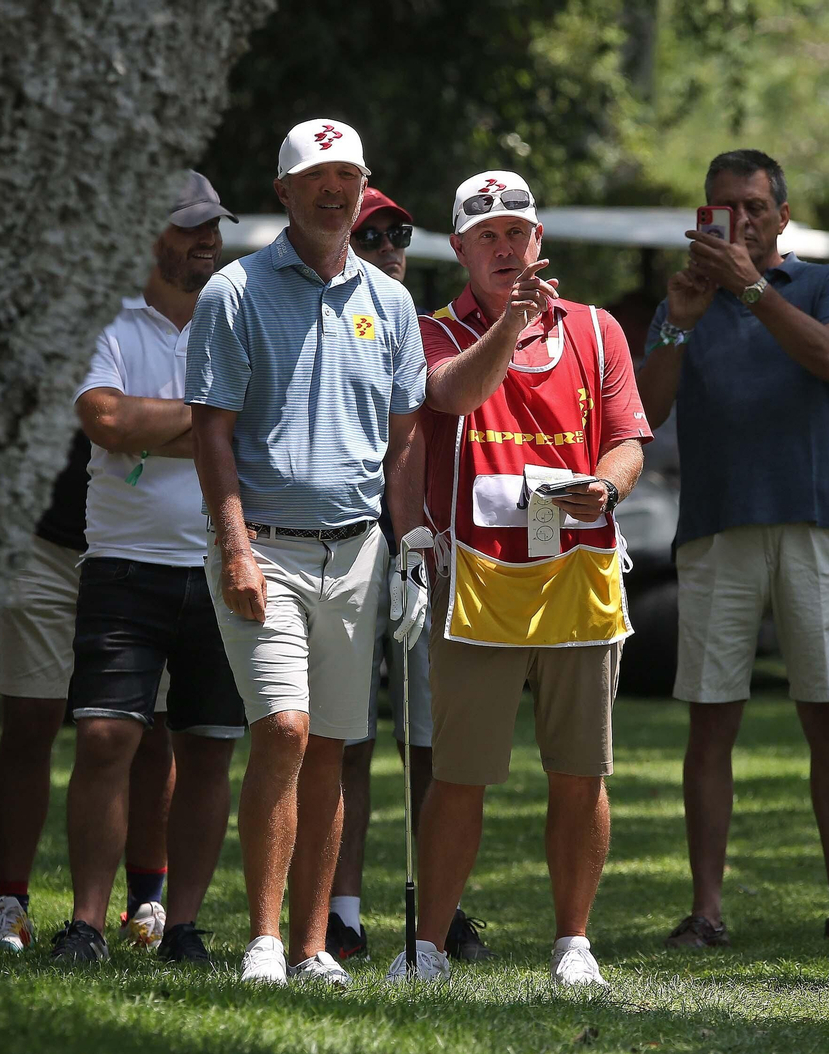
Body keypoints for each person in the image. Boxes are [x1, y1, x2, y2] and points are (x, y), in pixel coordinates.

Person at [386, 169, 650, 987]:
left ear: (539, 241)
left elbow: (627, 440)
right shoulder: (431, 331)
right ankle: (426, 947)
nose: (506, 247)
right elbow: (456, 393)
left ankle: (574, 943)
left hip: (578, 569)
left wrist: (606, 487)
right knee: (460, 775)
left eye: (518, 233)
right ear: (460, 249)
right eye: (487, 236)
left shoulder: (601, 331)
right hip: (476, 580)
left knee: (581, 772)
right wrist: (515, 324)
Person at [637, 149, 829, 948]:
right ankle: (706, 911)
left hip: (814, 521)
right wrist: (680, 320)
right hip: (716, 526)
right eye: (724, 207)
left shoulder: (826, 285)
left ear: (783, 215)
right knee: (711, 723)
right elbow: (645, 414)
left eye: (754, 206)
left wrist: (750, 288)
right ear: (704, 214)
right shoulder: (685, 298)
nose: (740, 220)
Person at [185, 119, 427, 988]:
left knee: (329, 744)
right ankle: (260, 939)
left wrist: (415, 546)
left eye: (349, 177)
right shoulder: (236, 292)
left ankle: (312, 942)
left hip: (359, 552)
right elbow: (210, 430)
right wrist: (234, 546)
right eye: (317, 177)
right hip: (266, 553)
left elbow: (404, 441)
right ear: (283, 191)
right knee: (283, 731)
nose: (336, 190)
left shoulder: (391, 302)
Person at [49, 172, 248, 966]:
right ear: (147, 234)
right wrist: (213, 423)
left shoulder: (238, 315)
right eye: (190, 225)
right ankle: (88, 925)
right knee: (103, 738)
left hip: (223, 557)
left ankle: (186, 926)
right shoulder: (107, 320)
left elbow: (241, 427)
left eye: (214, 225)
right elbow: (106, 420)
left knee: (208, 746)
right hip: (125, 563)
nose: (208, 238)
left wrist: (157, 427)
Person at [326, 188, 493, 964]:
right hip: (346, 547)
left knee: (431, 744)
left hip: (425, 553)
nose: (392, 244)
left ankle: (441, 911)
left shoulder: (418, 328)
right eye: (373, 233)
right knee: (346, 737)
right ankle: (342, 909)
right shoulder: (323, 324)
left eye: (400, 232)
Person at [0, 431, 176, 953]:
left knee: (153, 731)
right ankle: (11, 905)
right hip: (43, 542)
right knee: (29, 719)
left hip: (149, 544)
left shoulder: (187, 342)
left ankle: (146, 904)